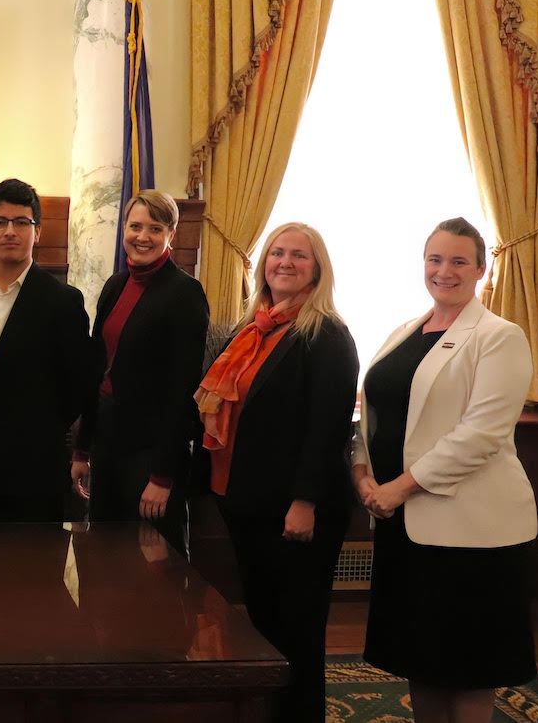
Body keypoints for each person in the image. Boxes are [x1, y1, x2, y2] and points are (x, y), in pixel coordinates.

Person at [354, 218, 536, 723]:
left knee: (469, 665)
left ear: (480, 269)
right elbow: (374, 415)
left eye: (458, 261)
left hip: (472, 531)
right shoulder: (402, 333)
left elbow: (482, 434)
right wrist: (362, 473)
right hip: (405, 528)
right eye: (435, 259)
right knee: (421, 658)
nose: (444, 271)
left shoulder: (500, 336)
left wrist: (397, 489)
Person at [194, 221, 357, 723]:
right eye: (277, 253)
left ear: (318, 269)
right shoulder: (253, 329)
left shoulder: (327, 335)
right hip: (245, 501)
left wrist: (304, 502)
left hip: (296, 510)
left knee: (298, 632)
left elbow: (327, 431)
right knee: (263, 625)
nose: (285, 262)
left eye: (299, 256)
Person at [0, 179, 88, 521]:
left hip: (35, 468)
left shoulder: (63, 301)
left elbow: (77, 384)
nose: (10, 231)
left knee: (33, 570)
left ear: (37, 232)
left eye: (22, 222)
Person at [71, 190, 209, 548]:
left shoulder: (184, 293)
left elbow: (183, 393)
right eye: (135, 226)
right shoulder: (115, 285)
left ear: (170, 235)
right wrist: (82, 449)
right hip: (109, 444)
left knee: (154, 567)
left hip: (150, 455)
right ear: (124, 230)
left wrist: (163, 476)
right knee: (104, 561)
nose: (142, 237)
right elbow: (97, 372)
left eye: (155, 228)